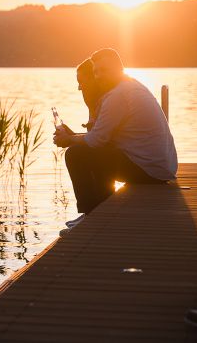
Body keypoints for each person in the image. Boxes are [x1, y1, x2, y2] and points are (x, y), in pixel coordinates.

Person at [54, 48, 177, 231]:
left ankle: (92, 216)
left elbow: (96, 141)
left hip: (150, 170)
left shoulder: (117, 95)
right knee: (94, 153)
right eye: (97, 72)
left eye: (105, 70)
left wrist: (69, 140)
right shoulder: (129, 86)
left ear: (119, 69)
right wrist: (73, 136)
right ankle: (99, 213)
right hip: (159, 166)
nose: (100, 76)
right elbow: (102, 138)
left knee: (76, 155)